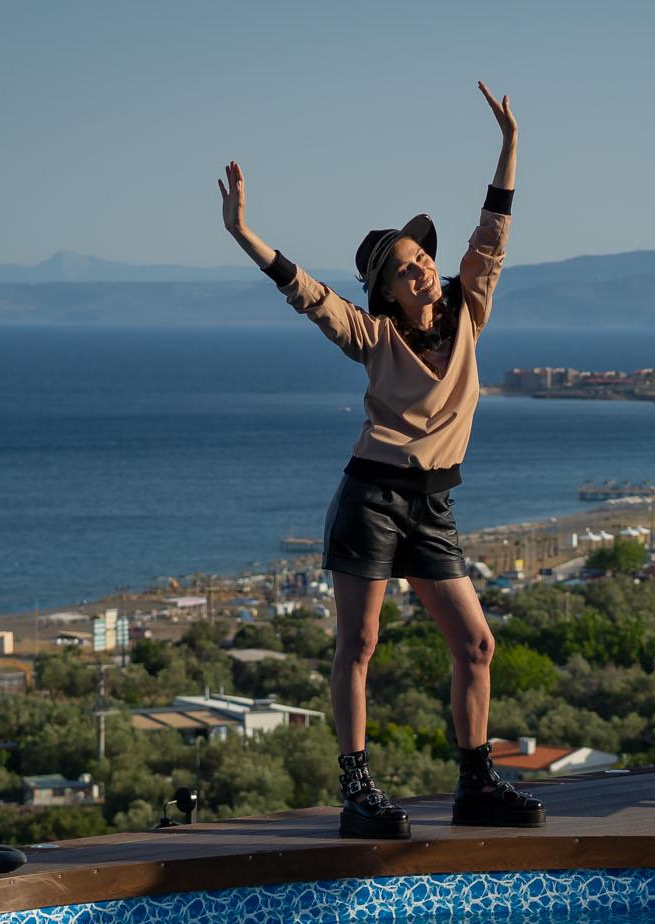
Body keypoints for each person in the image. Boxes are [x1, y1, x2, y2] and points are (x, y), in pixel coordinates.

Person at [219, 82, 545, 841]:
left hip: (433, 505)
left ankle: (475, 782)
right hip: (371, 499)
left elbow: (494, 228)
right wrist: (244, 232)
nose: (423, 268)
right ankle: (358, 790)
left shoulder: (470, 305)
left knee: (477, 643)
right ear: (385, 292)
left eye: (422, 257)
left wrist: (509, 143)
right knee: (359, 645)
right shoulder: (373, 338)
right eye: (405, 267)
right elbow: (309, 295)